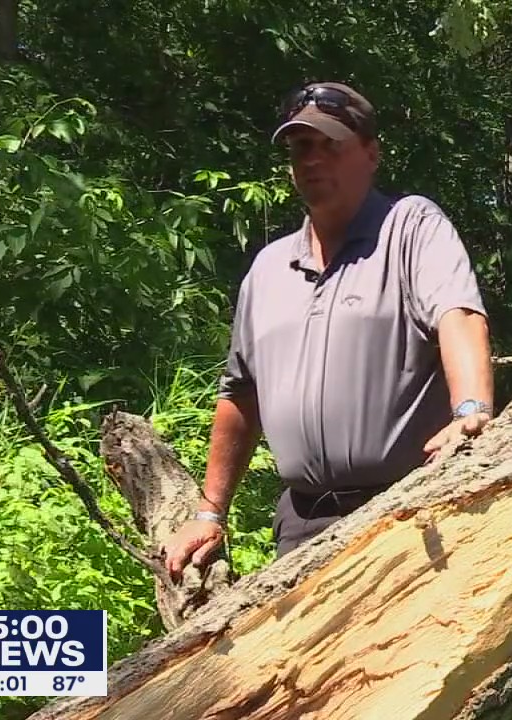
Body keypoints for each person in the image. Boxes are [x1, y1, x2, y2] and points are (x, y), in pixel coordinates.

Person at [162, 81, 494, 576]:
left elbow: (458, 315)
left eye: (331, 144)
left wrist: (471, 412)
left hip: (409, 509)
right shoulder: (269, 268)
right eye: (301, 147)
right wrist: (210, 513)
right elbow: (240, 394)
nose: (313, 159)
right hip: (302, 525)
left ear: (371, 153)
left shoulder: (409, 227)